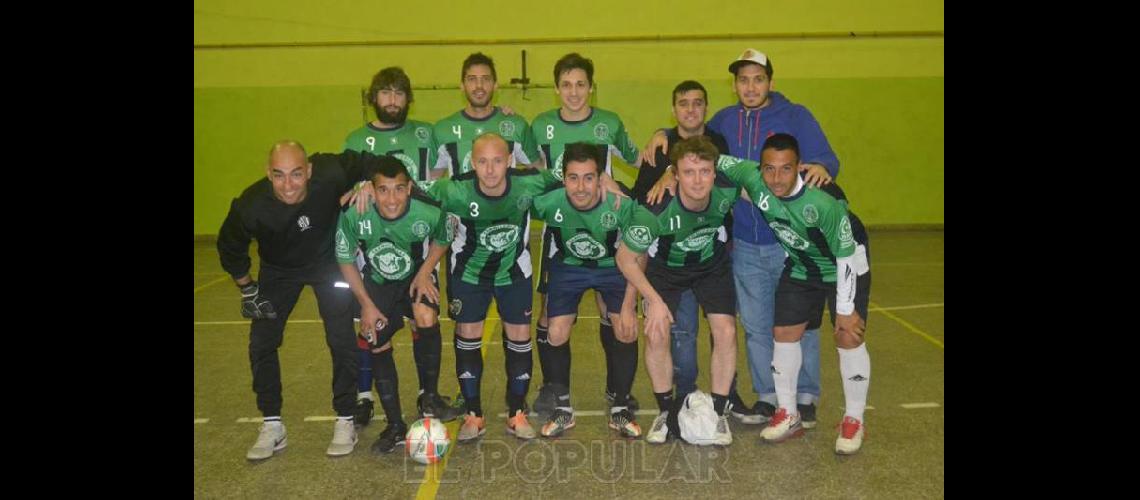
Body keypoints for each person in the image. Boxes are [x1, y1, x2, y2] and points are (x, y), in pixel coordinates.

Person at [643, 49, 839, 427]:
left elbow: (826, 159)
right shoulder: (724, 121)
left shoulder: (795, 115)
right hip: (746, 242)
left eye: (758, 79)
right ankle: (767, 396)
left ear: (770, 82)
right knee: (755, 324)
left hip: (790, 242)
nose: (750, 87)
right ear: (734, 85)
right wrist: (662, 145)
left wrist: (821, 165)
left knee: (802, 321)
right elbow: (689, 139)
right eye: (743, 80)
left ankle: (806, 394)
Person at [709, 134, 871, 454]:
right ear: (760, 167)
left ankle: (854, 420)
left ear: (800, 166)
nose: (776, 178)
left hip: (845, 265)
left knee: (847, 334)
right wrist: (672, 169)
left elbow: (845, 257)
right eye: (769, 169)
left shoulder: (825, 202)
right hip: (801, 266)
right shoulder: (751, 176)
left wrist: (844, 308)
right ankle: (788, 414)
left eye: (785, 169)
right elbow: (705, 158)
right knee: (783, 331)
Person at [217, 140, 374, 460]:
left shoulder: (330, 172)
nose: (287, 185)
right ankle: (272, 424)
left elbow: (373, 161)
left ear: (310, 170)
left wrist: (369, 182)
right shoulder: (251, 204)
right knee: (262, 342)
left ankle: (346, 418)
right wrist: (248, 287)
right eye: (278, 175)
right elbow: (229, 246)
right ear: (267, 174)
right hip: (278, 272)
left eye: (296, 174)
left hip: (328, 264)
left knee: (341, 338)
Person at [634, 80, 762, 424]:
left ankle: (726, 399)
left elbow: (739, 181)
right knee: (681, 333)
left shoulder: (718, 142)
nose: (690, 109)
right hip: (670, 259)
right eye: (683, 103)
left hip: (713, 250)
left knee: (724, 328)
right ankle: (680, 401)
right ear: (673, 109)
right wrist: (666, 175)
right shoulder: (660, 150)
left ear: (706, 107)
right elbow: (642, 207)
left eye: (697, 103)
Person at [529, 52, 644, 417]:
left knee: (611, 312)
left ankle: (616, 389)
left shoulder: (609, 123)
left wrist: (669, 167)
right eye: (566, 85)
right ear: (556, 89)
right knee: (550, 315)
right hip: (561, 232)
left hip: (606, 231)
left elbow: (639, 159)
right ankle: (554, 390)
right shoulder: (540, 125)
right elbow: (532, 169)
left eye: (581, 85)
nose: (574, 92)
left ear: (591, 88)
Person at [342, 66, 456, 426]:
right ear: (373, 98)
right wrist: (359, 187)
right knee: (370, 324)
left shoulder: (425, 133)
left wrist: (504, 115)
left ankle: (428, 395)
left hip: (415, 248)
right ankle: (365, 396)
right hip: (373, 253)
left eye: (399, 93)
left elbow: (451, 163)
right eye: (385, 93)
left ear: (408, 98)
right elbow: (344, 190)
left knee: (424, 315)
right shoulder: (356, 139)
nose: (392, 100)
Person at [614, 137, 744, 447]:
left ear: (715, 173)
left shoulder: (729, 188)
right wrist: (653, 301)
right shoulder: (655, 210)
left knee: (725, 330)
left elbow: (760, 179)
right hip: (667, 270)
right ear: (676, 174)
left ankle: (719, 413)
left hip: (712, 265)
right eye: (688, 172)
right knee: (657, 332)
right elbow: (625, 259)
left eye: (704, 171)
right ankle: (663, 411)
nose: (697, 180)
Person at [335, 154, 455, 454]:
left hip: (415, 275)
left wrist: (426, 271)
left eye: (399, 189)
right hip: (379, 282)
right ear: (371, 191)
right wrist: (365, 304)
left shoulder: (427, 211)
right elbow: (346, 259)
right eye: (384, 190)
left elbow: (444, 237)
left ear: (409, 188)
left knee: (426, 315)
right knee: (373, 335)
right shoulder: (354, 214)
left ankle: (430, 396)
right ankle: (395, 425)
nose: (392, 198)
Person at [528, 142, 642, 439]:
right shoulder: (548, 202)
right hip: (568, 266)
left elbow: (639, 253)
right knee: (555, 332)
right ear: (563, 178)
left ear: (601, 177)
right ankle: (562, 409)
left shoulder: (621, 205)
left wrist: (630, 304)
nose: (581, 187)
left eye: (589, 177)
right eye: (573, 178)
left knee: (626, 329)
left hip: (612, 266)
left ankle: (621, 407)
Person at [433, 52, 541, 176]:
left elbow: (539, 174)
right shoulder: (443, 129)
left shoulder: (517, 125)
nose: (479, 86)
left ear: (495, 85)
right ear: (462, 85)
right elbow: (430, 183)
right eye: (472, 79)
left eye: (486, 79)